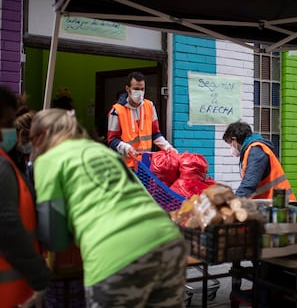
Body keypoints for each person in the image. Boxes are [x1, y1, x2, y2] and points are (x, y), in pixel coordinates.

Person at [30, 108, 186, 307]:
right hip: (168, 242)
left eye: (32, 139)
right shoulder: (103, 152)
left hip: (117, 255)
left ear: (42, 135)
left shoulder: (48, 160)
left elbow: (55, 236)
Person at [0, 85, 51, 308]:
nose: (13, 130)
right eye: (8, 123)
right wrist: (40, 274)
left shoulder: (8, 162)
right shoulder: (2, 167)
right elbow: (8, 227)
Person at [107, 71, 177, 168]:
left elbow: (155, 133)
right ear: (127, 89)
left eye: (142, 89)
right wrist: (126, 148)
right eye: (136, 89)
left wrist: (168, 148)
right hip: (124, 166)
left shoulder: (149, 106)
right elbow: (112, 140)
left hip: (144, 165)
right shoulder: (117, 111)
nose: (139, 92)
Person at [223, 121, 296, 200]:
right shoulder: (251, 150)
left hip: (280, 205)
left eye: (230, 144)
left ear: (234, 140)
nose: (231, 148)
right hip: (273, 202)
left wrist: (233, 203)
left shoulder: (256, 150)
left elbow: (249, 183)